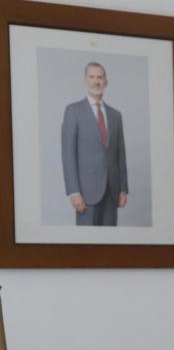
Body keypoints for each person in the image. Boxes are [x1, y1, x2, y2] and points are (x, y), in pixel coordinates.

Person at [61, 61, 128, 226]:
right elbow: (68, 154)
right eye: (92, 77)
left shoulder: (115, 115)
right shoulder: (73, 111)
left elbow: (120, 154)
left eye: (100, 77)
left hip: (112, 191)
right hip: (86, 192)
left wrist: (123, 188)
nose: (96, 81)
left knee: (110, 244)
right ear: (85, 80)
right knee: (86, 246)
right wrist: (74, 191)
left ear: (106, 81)